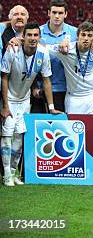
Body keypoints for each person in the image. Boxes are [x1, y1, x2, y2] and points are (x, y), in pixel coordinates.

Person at [1, 22, 59, 186]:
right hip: (10, 100)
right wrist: (5, 106)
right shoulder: (12, 50)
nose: (32, 38)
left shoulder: (43, 53)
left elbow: (46, 80)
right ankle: (6, 175)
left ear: (39, 37)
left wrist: (52, 107)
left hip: (25, 100)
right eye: (29, 35)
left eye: (35, 35)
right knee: (6, 137)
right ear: (23, 37)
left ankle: (14, 173)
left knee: (19, 137)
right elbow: (4, 78)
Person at [47, 22, 93, 114]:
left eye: (89, 36)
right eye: (83, 35)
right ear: (77, 36)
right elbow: (43, 48)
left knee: (92, 127)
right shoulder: (65, 49)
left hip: (92, 95)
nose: (86, 38)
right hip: (73, 97)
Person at [38, 0, 78, 113]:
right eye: (54, 12)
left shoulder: (74, 33)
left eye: (60, 13)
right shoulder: (37, 33)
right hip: (42, 88)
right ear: (48, 13)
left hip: (67, 88)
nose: (57, 16)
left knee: (63, 124)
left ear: (66, 14)